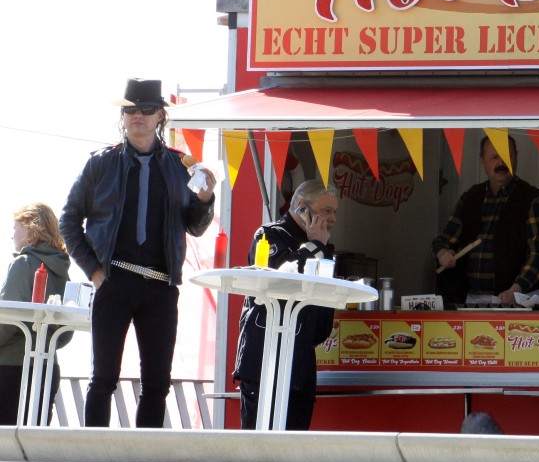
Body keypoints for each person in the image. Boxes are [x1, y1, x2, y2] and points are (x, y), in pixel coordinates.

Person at [60, 78, 216, 428]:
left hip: (161, 287)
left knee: (157, 384)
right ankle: (92, 460)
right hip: (113, 280)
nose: (138, 116)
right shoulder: (101, 163)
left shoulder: (181, 166)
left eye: (147, 110)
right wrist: (95, 273)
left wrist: (206, 200)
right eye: (131, 109)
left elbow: (195, 225)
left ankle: (144, 461)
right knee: (102, 379)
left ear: (161, 115)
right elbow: (68, 221)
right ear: (123, 115)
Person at [233, 180, 339, 430]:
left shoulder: (321, 244)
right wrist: (315, 246)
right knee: (259, 443)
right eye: (327, 210)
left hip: (301, 358)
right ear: (303, 207)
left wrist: (319, 247)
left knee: (295, 443)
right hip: (265, 356)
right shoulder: (269, 234)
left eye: (334, 212)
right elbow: (279, 279)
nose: (333, 218)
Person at [433, 135, 539, 306]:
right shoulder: (470, 197)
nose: (501, 163)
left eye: (507, 156)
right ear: (483, 161)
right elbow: (442, 239)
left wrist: (516, 289)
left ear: (516, 157)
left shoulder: (532, 198)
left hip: (517, 301)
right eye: (494, 157)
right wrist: (442, 253)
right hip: (472, 300)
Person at [0, 204, 73, 425]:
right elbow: (65, 331)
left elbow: (6, 321)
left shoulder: (23, 263)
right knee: (31, 446)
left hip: (11, 370)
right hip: (47, 369)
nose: (12, 235)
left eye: (16, 228)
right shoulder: (62, 271)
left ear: (32, 229)